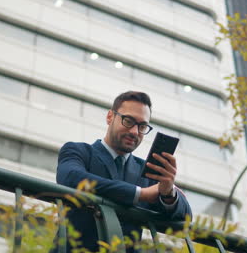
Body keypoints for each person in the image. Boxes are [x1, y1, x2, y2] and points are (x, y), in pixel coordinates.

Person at [55, 91, 192, 252]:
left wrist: (169, 194)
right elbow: (70, 177)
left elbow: (185, 217)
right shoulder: (78, 151)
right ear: (110, 117)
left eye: (142, 126)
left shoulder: (148, 171)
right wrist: (140, 194)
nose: (135, 132)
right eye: (128, 121)